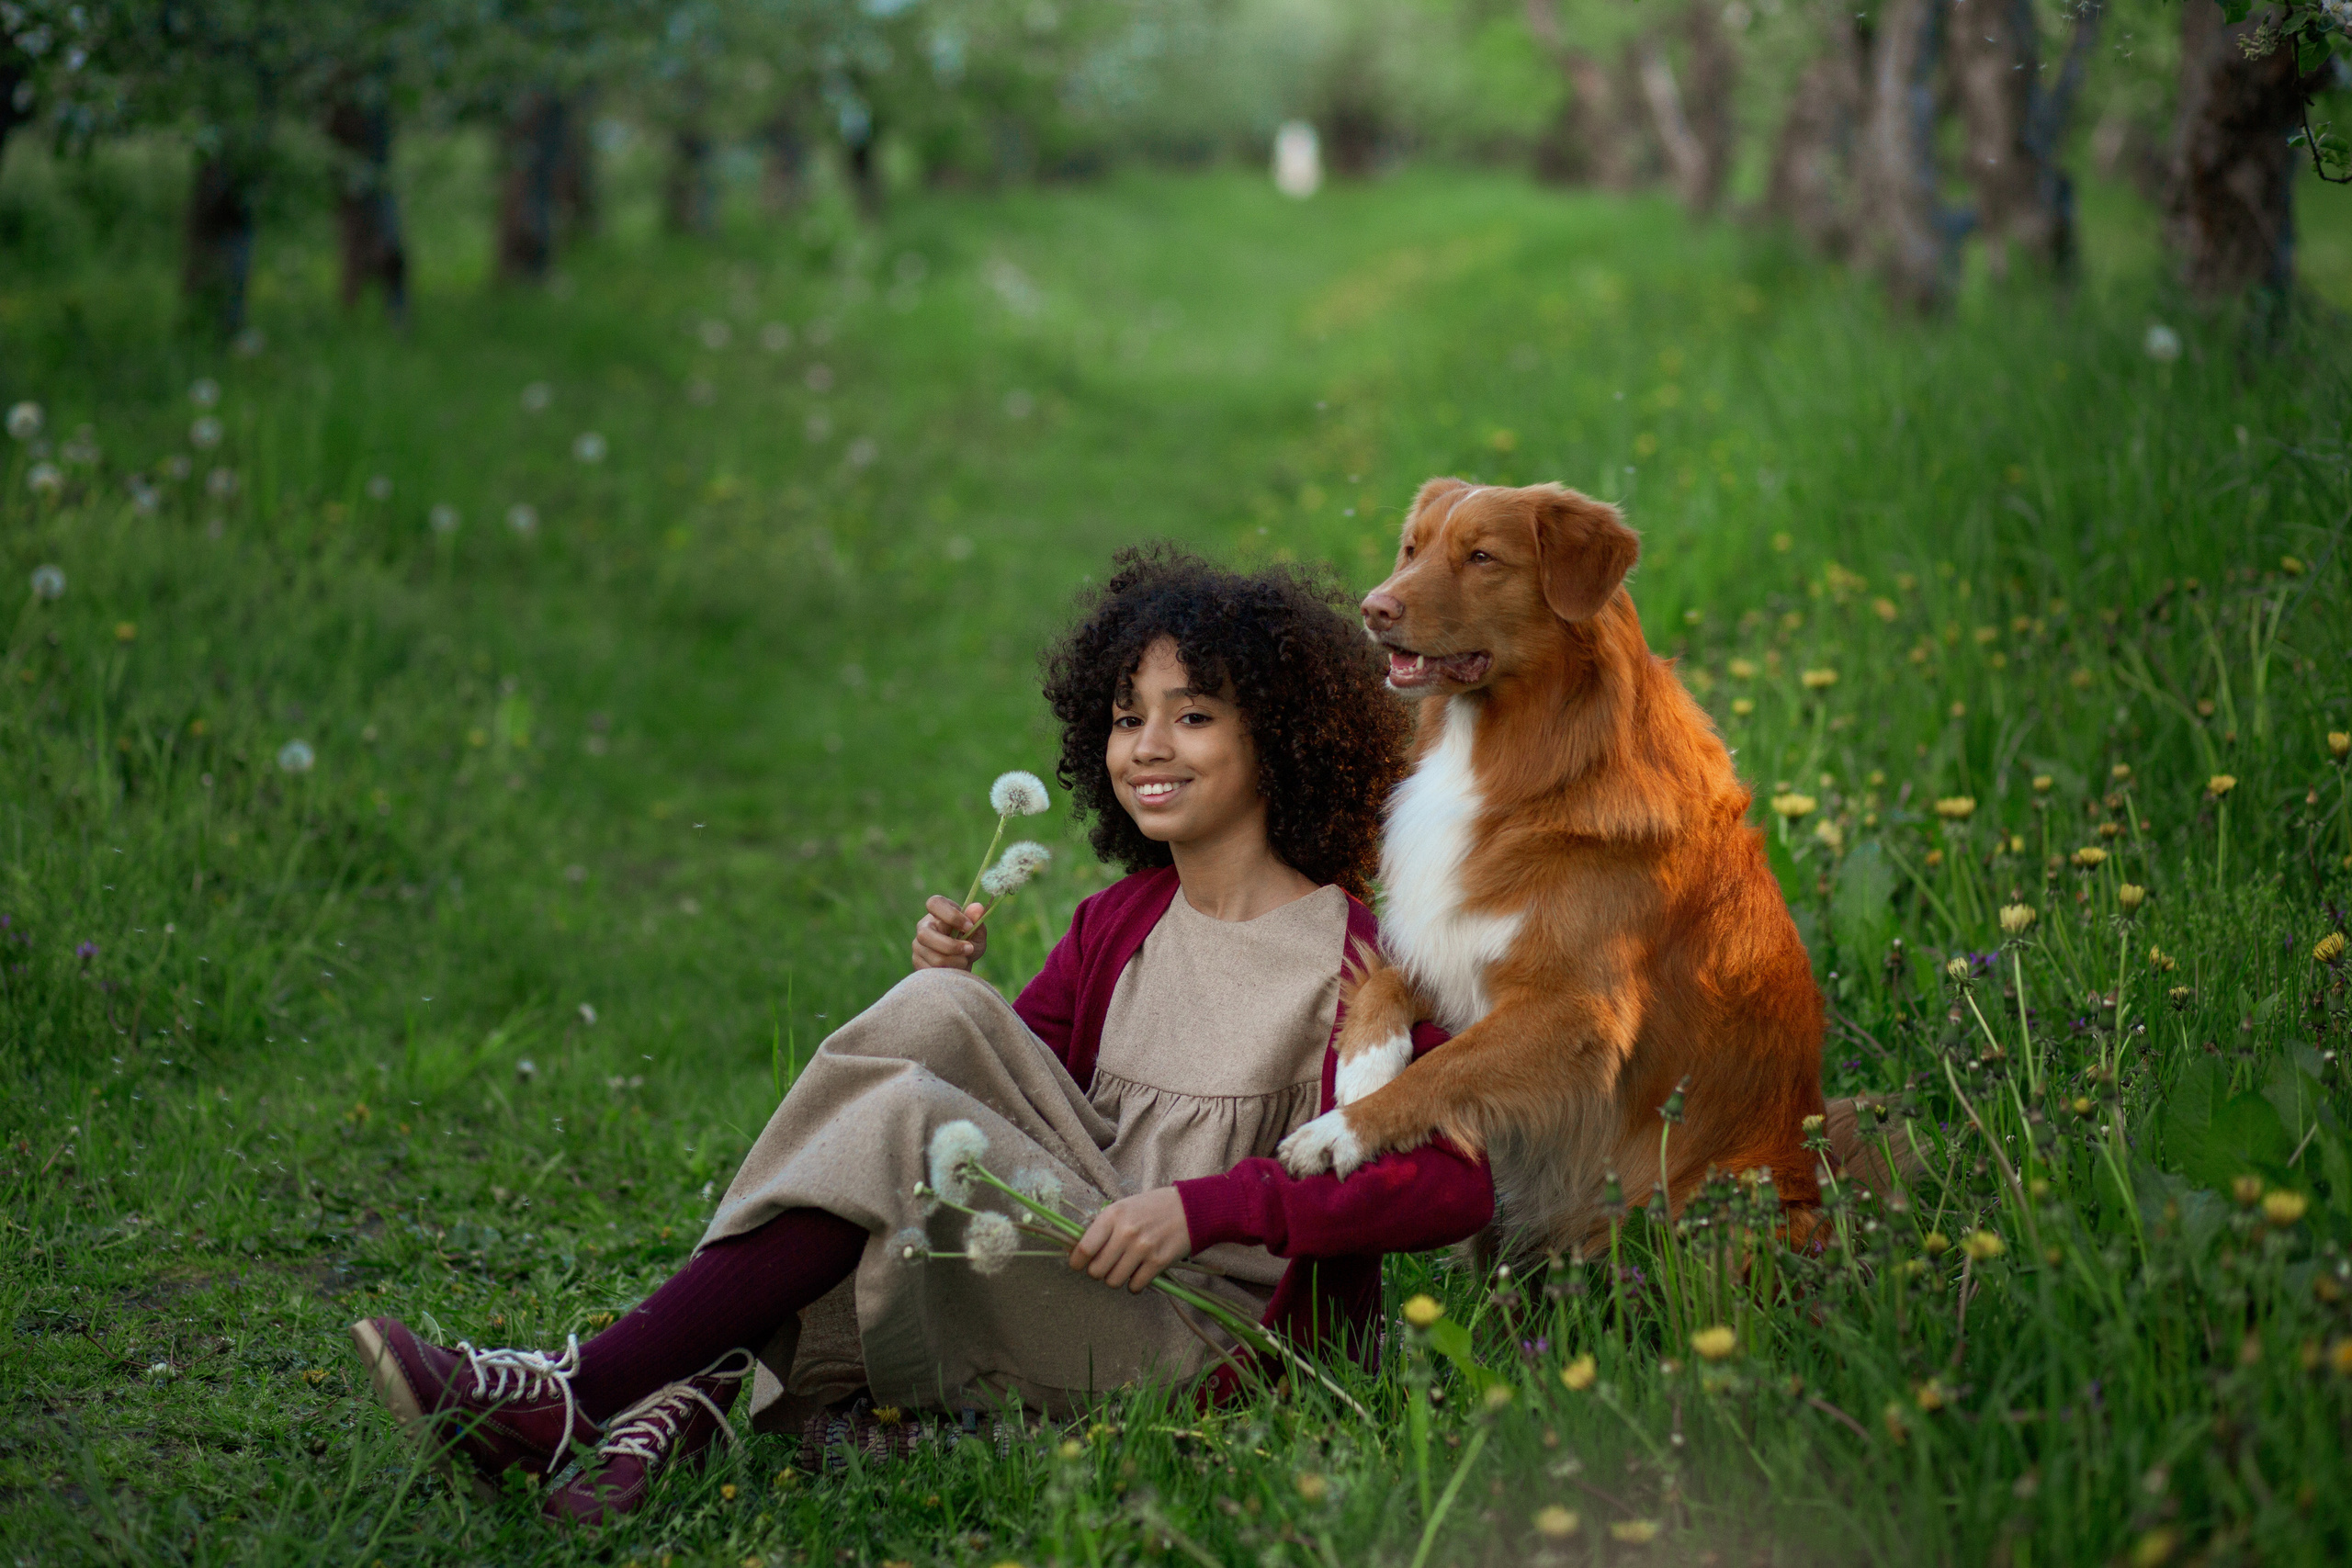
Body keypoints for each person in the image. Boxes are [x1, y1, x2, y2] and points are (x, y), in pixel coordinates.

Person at [350, 547, 1495, 1525]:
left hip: (1204, 1330)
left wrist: (1208, 1207)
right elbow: (1006, 1089)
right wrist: (948, 991)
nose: (1149, 745)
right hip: (1080, 1257)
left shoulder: (1361, 964)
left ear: (1280, 740)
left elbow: (1454, 1186)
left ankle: (601, 1392)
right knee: (936, 1013)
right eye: (1125, 717)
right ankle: (680, 1387)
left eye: (1193, 716)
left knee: (903, 1116)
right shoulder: (1121, 922)